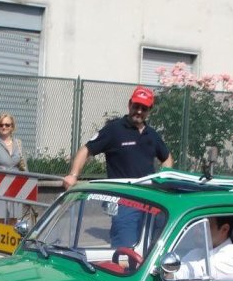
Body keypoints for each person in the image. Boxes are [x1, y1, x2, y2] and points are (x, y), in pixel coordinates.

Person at [63, 86, 173, 247]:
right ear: (129, 105)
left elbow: (167, 158)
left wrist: (164, 178)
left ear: (150, 110)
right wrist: (73, 175)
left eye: (144, 108)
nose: (139, 111)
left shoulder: (152, 134)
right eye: (136, 106)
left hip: (151, 201)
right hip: (125, 201)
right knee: (124, 249)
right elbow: (86, 150)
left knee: (153, 248)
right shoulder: (114, 130)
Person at [173, 216, 233, 281]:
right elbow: (177, 269)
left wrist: (170, 274)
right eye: (196, 224)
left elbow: (197, 271)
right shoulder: (195, 253)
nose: (196, 230)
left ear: (224, 229)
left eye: (203, 226)